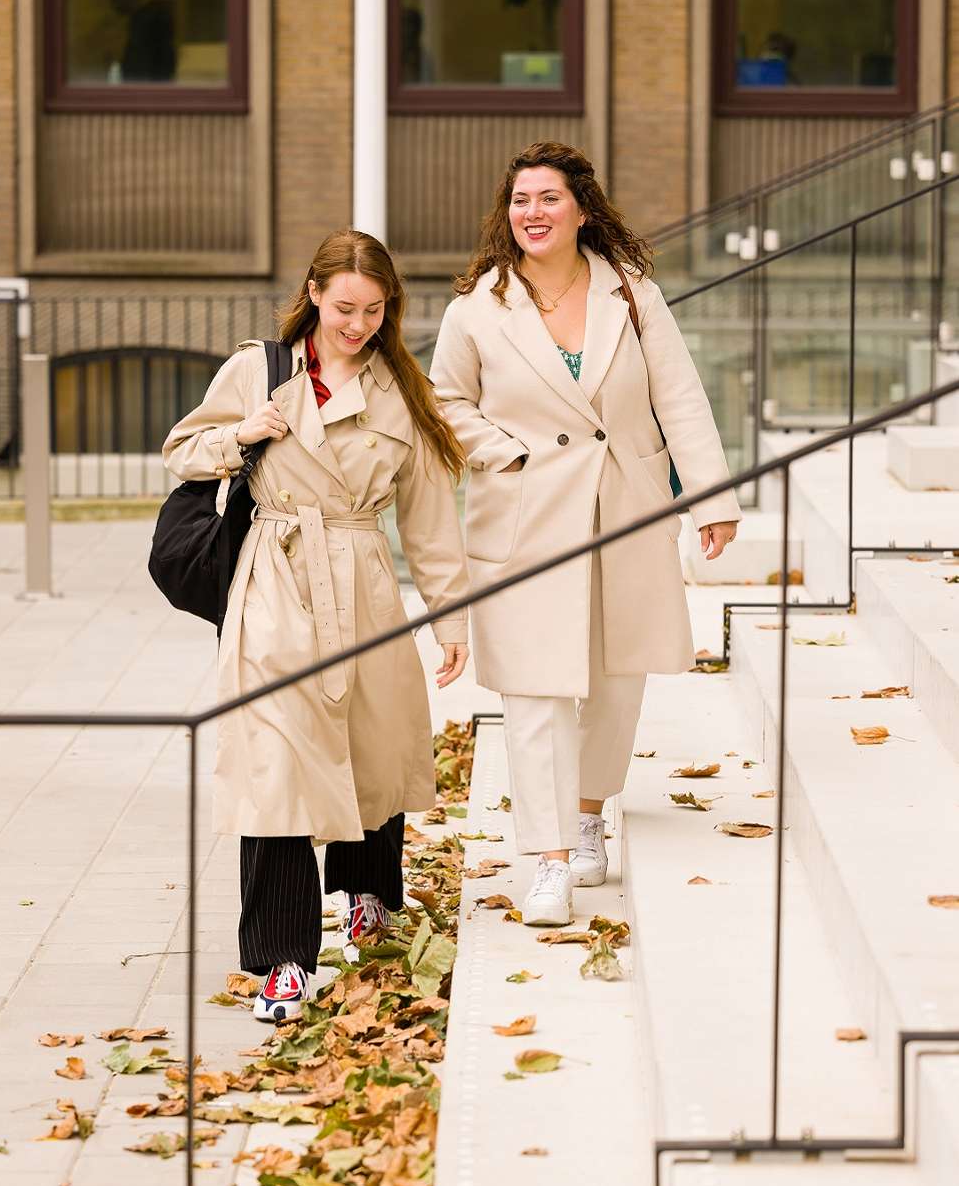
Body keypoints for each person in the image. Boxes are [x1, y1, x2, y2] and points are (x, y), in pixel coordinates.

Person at [429, 141, 740, 928]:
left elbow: (681, 395)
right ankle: (548, 859)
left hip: (625, 511)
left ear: (582, 208)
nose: (532, 212)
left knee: (615, 678)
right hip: (526, 518)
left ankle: (590, 813)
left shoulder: (632, 294)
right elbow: (445, 403)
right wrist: (510, 452)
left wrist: (711, 500)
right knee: (534, 690)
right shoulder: (478, 308)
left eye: (548, 198)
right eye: (520, 199)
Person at [163, 231, 470, 1021]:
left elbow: (430, 520)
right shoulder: (257, 369)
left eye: (374, 309)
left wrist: (450, 619)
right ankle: (284, 961)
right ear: (314, 292)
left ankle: (370, 891)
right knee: (277, 766)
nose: (358, 324)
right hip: (276, 574)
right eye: (344, 307)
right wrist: (244, 435)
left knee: (372, 741)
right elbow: (180, 454)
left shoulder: (405, 387)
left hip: (364, 576)